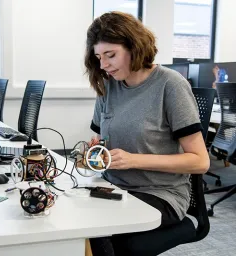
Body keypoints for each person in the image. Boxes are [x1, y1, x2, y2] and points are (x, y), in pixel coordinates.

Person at [84, 12, 210, 256]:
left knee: (99, 232)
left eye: (111, 55)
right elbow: (102, 140)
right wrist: (95, 150)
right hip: (116, 187)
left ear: (135, 46)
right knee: (76, 219)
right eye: (99, 57)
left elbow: (200, 161)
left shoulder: (169, 84)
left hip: (161, 194)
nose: (103, 65)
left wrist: (133, 159)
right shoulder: (108, 86)